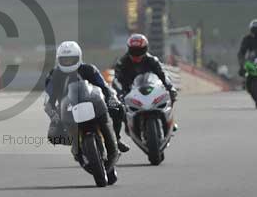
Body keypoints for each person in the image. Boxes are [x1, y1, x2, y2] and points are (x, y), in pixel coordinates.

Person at [44, 41, 127, 179]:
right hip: (68, 109)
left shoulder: (89, 69)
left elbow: (105, 87)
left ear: (79, 58)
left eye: (71, 59)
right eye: (64, 60)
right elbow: (48, 100)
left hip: (93, 104)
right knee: (53, 135)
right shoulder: (54, 75)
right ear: (58, 60)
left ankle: (116, 138)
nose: (68, 62)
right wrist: (53, 115)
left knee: (117, 108)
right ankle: (76, 148)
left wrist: (112, 98)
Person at [112, 34, 179, 135]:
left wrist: (170, 87)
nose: (136, 54)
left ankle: (169, 120)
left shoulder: (152, 60)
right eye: (134, 51)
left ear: (146, 49)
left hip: (150, 87)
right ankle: (125, 127)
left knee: (171, 95)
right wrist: (120, 92)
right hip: (129, 91)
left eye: (139, 51)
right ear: (129, 49)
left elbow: (163, 75)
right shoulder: (122, 63)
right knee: (117, 107)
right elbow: (116, 80)